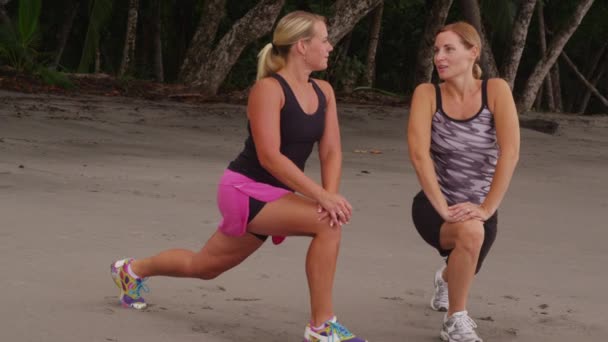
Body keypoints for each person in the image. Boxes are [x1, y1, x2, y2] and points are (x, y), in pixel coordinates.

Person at [110, 11, 367, 342]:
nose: (331, 46)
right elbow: (269, 157)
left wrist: (329, 196)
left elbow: (331, 151)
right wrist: (322, 198)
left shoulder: (324, 92)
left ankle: (131, 271)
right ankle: (321, 326)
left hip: (279, 195)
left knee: (204, 267)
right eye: (325, 39)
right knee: (327, 225)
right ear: (302, 46)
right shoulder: (268, 90)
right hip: (245, 189)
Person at [407, 21, 520, 342]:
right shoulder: (427, 94)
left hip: (481, 208)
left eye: (449, 49)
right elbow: (419, 154)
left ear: (473, 53)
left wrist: (486, 209)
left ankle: (444, 278)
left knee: (465, 266)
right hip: (433, 205)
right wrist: (443, 208)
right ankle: (455, 320)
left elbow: (509, 153)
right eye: (436, 51)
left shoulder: (495, 90)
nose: (439, 57)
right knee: (469, 235)